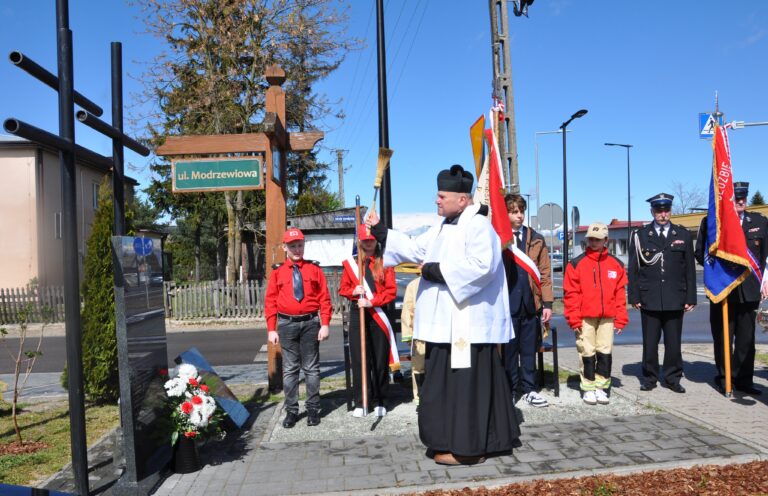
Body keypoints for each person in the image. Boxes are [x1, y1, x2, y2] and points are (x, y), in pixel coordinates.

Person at [366, 164, 520, 466]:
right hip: (444, 327)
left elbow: (482, 267)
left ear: (462, 199)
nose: (436, 200)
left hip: (468, 328)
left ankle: (469, 448)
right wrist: (382, 231)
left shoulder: (477, 226)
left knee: (466, 389)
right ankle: (451, 438)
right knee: (440, 386)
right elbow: (413, 248)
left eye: (441, 196)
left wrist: (436, 271)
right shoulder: (442, 226)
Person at [695, 182, 768, 395]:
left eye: (743, 197)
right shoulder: (712, 222)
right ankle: (725, 377)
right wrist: (719, 271)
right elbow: (701, 253)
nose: (741, 201)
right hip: (723, 289)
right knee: (723, 337)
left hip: (749, 289)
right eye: (736, 198)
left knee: (746, 338)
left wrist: (765, 279)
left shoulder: (759, 222)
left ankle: (744, 379)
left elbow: (766, 255)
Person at [628, 193, 696, 393]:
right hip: (649, 298)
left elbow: (689, 269)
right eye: (659, 210)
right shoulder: (641, 235)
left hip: (676, 297)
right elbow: (633, 269)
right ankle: (649, 377)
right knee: (650, 342)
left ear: (670, 211)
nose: (663, 214)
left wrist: (690, 296)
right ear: (652, 212)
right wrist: (634, 296)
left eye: (666, 210)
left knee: (673, 343)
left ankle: (672, 378)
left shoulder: (682, 234)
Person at [264, 228, 331, 428]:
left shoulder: (314, 270)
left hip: (311, 323)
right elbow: (270, 301)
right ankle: (291, 411)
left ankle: (313, 410)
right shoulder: (277, 272)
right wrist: (271, 328)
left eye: (300, 245)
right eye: (292, 246)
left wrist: (325, 324)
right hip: (286, 324)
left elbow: (324, 299)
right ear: (285, 248)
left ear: (304, 245)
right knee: (290, 369)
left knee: (311, 369)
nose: (297, 249)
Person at [564, 222, 628, 405]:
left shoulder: (616, 265)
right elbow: (571, 295)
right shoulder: (576, 264)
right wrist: (573, 319)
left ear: (606, 240)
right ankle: (588, 388)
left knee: (605, 352)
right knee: (587, 352)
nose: (593, 242)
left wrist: (621, 318)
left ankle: (601, 387)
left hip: (607, 317)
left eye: (597, 239)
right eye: (591, 238)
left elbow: (620, 295)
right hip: (585, 317)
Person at [339, 225, 398, 417]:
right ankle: (362, 401)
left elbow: (391, 292)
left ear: (376, 241)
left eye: (372, 239)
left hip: (378, 314)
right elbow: (343, 289)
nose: (369, 243)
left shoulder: (386, 263)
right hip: (359, 314)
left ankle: (381, 400)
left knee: (379, 360)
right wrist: (353, 292)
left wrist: (372, 301)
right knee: (359, 359)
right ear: (360, 241)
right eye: (365, 240)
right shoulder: (352, 264)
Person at [502, 194, 553, 407]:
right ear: (506, 213)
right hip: (508, 303)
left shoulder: (536, 238)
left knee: (529, 348)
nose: (519, 216)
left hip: (531, 303)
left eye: (521, 211)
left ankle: (530, 389)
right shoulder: (499, 238)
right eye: (514, 212)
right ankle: (510, 390)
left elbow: (545, 273)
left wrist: (548, 304)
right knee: (510, 351)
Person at [400, 273, 426, 405]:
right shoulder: (413, 285)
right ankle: (419, 398)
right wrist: (408, 335)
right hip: (420, 335)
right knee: (418, 366)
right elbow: (407, 311)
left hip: (440, 334)